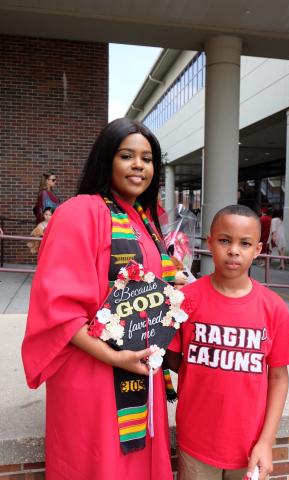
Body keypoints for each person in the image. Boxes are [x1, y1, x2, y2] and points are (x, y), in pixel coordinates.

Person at [22, 118, 178, 480]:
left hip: (138, 367)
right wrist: (116, 357)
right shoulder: (79, 212)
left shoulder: (144, 220)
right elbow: (58, 310)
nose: (139, 165)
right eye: (127, 155)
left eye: (148, 158)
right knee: (97, 466)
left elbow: (150, 282)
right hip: (94, 374)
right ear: (106, 159)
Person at [167, 204, 289, 480]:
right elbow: (171, 357)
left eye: (245, 243)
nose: (233, 250)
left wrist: (266, 441)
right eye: (225, 240)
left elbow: (278, 378)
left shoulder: (273, 308)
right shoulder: (187, 299)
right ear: (209, 242)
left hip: (249, 446)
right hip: (196, 442)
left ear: (258, 249)